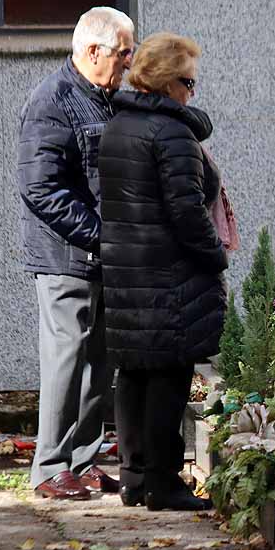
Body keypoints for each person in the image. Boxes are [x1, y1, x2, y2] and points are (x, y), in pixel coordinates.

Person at [98, 32, 227, 511]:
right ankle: (163, 483)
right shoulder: (171, 133)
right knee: (170, 376)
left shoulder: (119, 125)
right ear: (169, 82)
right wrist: (216, 255)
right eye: (189, 83)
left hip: (127, 268)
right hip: (168, 272)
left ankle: (134, 480)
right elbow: (187, 211)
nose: (192, 93)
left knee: (133, 373)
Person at [16, 7, 133, 500]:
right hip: (66, 257)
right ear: (93, 52)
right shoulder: (53, 102)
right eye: (123, 55)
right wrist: (101, 236)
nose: (128, 65)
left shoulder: (104, 99)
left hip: (100, 255)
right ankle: (49, 468)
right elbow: (40, 189)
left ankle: (82, 463)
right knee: (66, 360)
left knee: (98, 363)